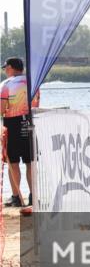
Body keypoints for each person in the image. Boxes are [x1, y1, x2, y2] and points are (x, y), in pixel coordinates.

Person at [1, 57, 40, 210]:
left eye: (5, 68)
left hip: (13, 125)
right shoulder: (33, 83)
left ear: (10, 68)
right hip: (30, 123)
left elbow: (1, 109)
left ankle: (16, 197)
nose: (5, 70)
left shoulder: (6, 84)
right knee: (30, 162)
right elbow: (36, 105)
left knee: (13, 163)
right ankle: (33, 196)